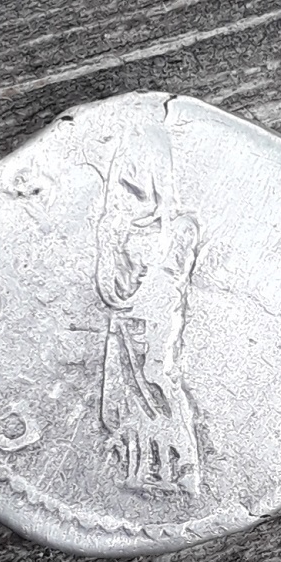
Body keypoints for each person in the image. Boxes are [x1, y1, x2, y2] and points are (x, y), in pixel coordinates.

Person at [95, 120, 201, 495]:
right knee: (125, 393)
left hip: (156, 313)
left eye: (139, 169)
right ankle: (140, 469)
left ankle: (182, 469)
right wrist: (111, 237)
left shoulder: (180, 226)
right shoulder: (115, 227)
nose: (132, 179)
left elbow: (170, 273)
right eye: (125, 172)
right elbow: (110, 289)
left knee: (157, 377)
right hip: (126, 317)